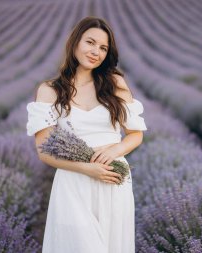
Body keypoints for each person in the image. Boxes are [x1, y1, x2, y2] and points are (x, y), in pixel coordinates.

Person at [26, 16, 147, 253]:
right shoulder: (50, 90)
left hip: (113, 180)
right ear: (75, 43)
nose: (96, 52)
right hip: (74, 183)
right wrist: (87, 168)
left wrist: (115, 149)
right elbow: (44, 151)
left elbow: (135, 134)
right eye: (90, 42)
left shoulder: (115, 83)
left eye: (103, 48)